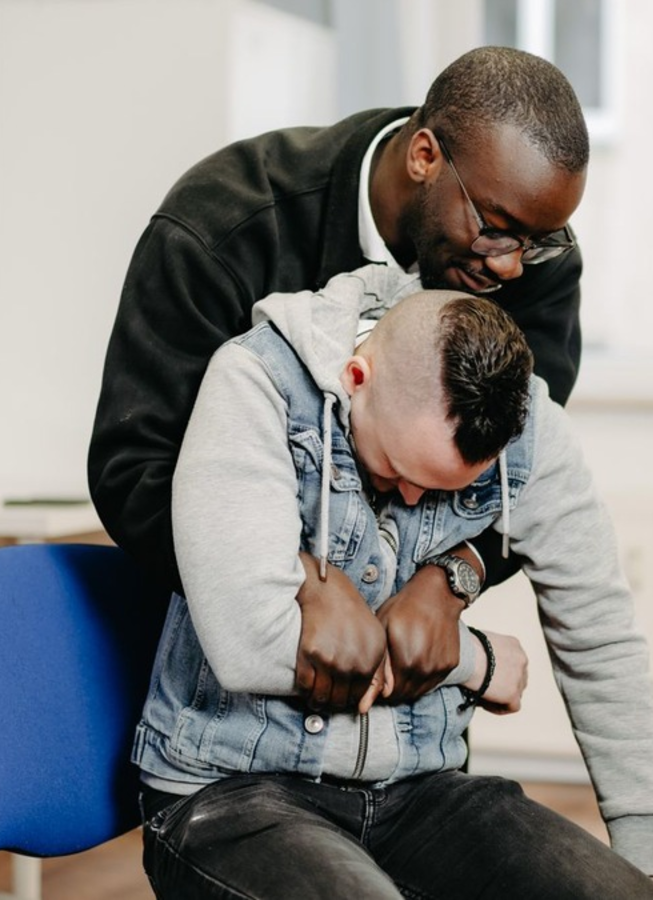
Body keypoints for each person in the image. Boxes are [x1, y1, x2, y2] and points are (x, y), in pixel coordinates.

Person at [133, 265, 653, 898]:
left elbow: (600, 633)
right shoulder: (257, 380)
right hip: (233, 790)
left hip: (420, 789)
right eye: (395, 469)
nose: (412, 498)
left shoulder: (529, 427)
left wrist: (647, 858)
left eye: (442, 489)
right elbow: (248, 640)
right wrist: (476, 660)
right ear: (356, 378)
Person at [88, 46, 589, 702]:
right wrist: (298, 578)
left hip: (411, 721)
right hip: (236, 708)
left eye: (538, 242)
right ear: (424, 157)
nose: (512, 267)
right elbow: (134, 469)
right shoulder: (226, 226)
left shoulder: (534, 259)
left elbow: (519, 476)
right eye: (496, 231)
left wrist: (453, 577)